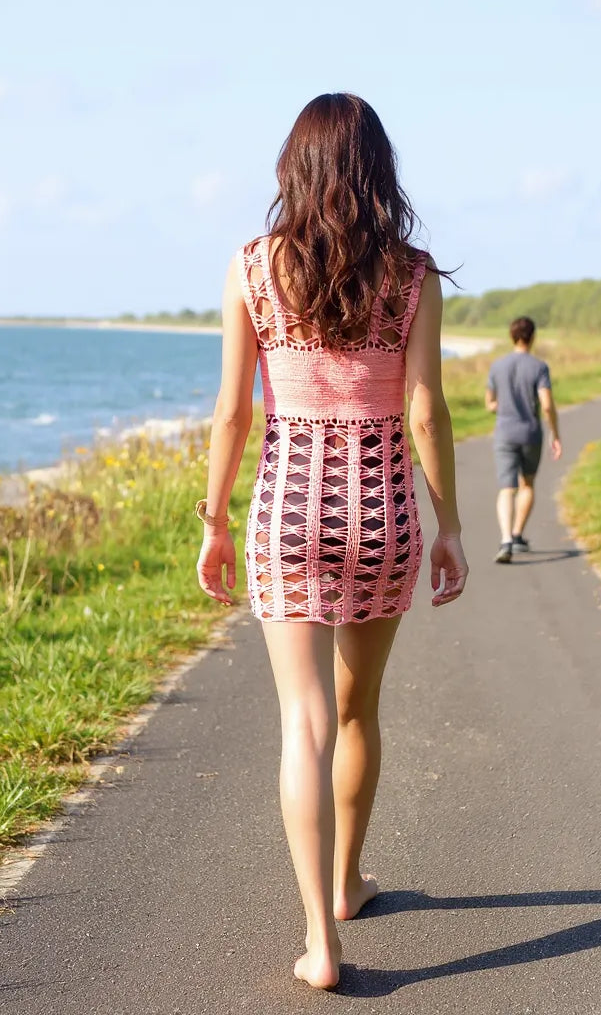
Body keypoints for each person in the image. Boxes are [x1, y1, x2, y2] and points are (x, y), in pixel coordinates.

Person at [195, 93, 468, 991]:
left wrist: (213, 518)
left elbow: (236, 411)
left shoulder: (251, 268)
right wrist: (451, 526)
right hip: (383, 510)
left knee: (302, 721)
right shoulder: (413, 275)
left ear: (295, 169)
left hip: (287, 513)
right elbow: (424, 409)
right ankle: (350, 881)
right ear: (376, 171)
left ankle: (321, 939)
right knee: (357, 711)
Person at [485, 316, 561, 563]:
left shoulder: (497, 366)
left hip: (504, 433)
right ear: (533, 337)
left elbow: (489, 404)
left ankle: (506, 539)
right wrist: (555, 434)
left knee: (507, 488)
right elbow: (547, 405)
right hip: (530, 433)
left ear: (512, 336)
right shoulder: (539, 367)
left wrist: (503, 405)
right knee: (527, 485)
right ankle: (517, 534)